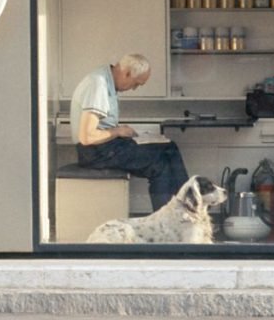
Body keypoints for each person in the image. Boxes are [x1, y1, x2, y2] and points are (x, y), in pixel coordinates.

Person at [70, 53, 189, 211]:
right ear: (126, 73)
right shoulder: (98, 84)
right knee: (160, 163)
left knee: (169, 147)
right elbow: (87, 137)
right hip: (95, 153)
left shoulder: (105, 80)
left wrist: (117, 130)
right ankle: (171, 218)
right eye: (136, 84)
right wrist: (118, 131)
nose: (134, 88)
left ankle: (184, 210)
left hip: (104, 148)